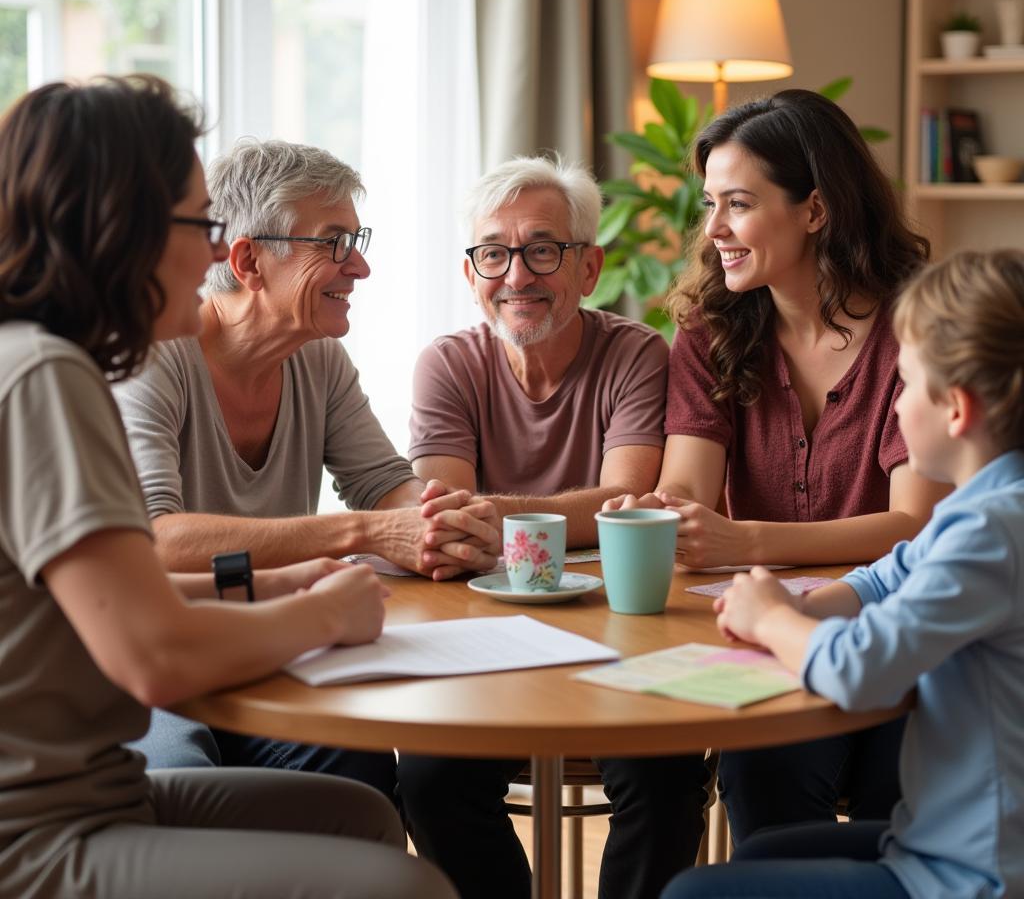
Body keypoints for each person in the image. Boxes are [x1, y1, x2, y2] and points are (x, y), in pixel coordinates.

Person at [0, 75, 455, 899]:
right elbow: (155, 655)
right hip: (33, 833)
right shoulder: (44, 379)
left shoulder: (47, 360)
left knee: (359, 815)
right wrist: (325, 609)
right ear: (120, 231)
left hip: (95, 789)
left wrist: (276, 580)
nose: (215, 252)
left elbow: (127, 593)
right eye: (199, 224)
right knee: (405, 887)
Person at [608, 89, 949, 842]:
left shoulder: (915, 332)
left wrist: (745, 543)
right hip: (763, 635)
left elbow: (913, 528)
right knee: (760, 771)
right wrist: (656, 516)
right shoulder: (709, 331)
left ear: (815, 210)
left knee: (892, 773)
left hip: (890, 630)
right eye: (709, 205)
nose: (715, 230)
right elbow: (686, 492)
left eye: (737, 203)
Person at [114, 137, 499, 789]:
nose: (361, 269)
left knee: (359, 771)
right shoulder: (155, 360)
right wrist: (363, 532)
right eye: (334, 244)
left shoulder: (317, 359)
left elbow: (384, 487)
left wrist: (441, 522)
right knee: (183, 776)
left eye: (358, 241)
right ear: (249, 261)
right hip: (159, 666)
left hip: (268, 647)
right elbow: (158, 543)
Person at [661, 247, 1024, 899]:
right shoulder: (987, 508)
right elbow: (889, 577)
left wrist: (773, 620)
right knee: (764, 856)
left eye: (907, 383)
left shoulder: (991, 534)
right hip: (944, 838)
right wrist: (802, 606)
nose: (895, 401)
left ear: (957, 410)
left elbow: (860, 667)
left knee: (694, 893)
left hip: (973, 875)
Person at [399, 155, 710, 899]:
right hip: (478, 628)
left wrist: (492, 515)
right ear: (472, 271)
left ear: (588, 267)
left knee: (665, 774)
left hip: (620, 631)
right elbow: (448, 521)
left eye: (542, 249)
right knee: (430, 778)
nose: (517, 276)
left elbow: (628, 499)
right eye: (495, 253)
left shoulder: (636, 353)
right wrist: (558, 514)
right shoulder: (446, 364)